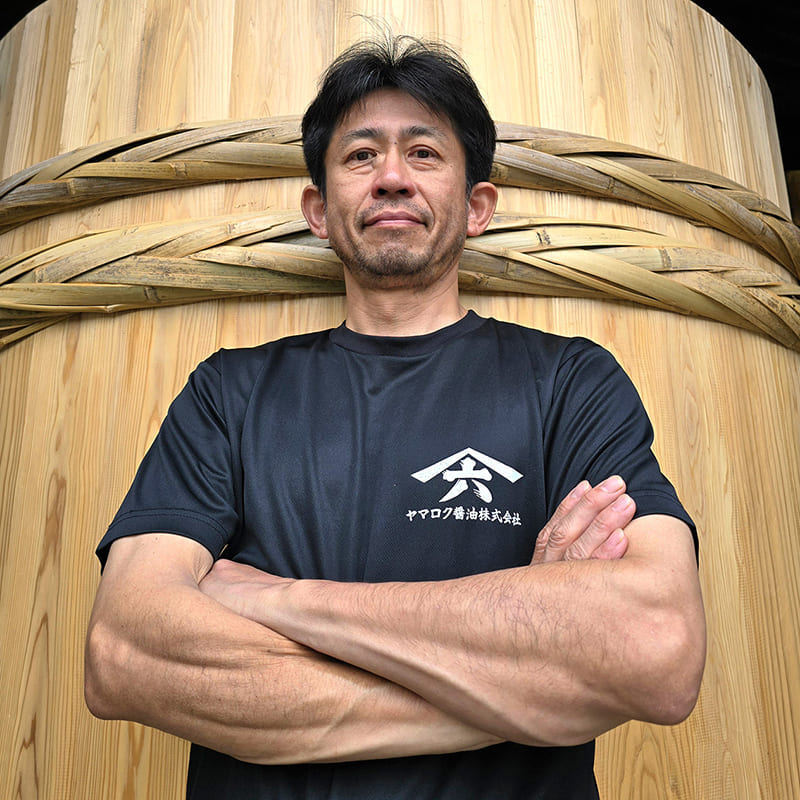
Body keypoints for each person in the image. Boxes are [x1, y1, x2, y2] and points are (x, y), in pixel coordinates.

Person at [85, 35, 706, 799]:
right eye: (360, 156)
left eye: (423, 153)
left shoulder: (570, 383)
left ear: (476, 208)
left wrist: (271, 598)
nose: (390, 177)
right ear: (319, 211)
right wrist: (531, 680)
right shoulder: (229, 392)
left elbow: (657, 647)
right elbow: (125, 655)